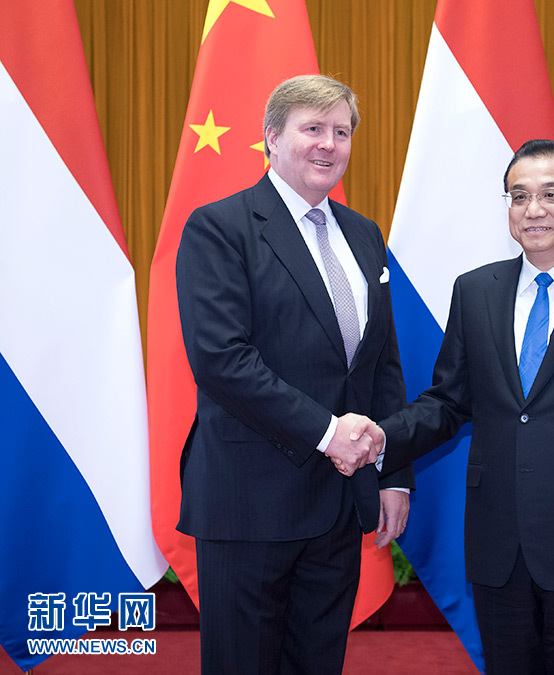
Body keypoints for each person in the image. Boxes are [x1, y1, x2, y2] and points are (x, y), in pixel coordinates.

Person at [341, 139, 554, 674]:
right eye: (519, 196)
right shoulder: (476, 291)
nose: (533, 209)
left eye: (552, 194)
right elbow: (448, 402)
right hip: (499, 544)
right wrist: (383, 438)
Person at [175, 74, 413, 675]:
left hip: (339, 504)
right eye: (313, 129)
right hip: (250, 501)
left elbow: (381, 363)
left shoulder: (363, 234)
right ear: (272, 138)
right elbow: (222, 360)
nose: (329, 144)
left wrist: (393, 474)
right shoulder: (219, 227)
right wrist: (329, 434)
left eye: (341, 132)